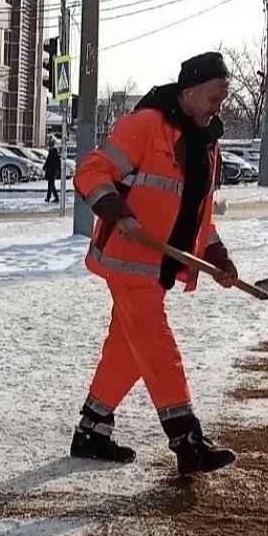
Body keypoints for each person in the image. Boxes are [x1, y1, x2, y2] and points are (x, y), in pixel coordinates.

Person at [68, 51, 241, 476]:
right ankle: (187, 440)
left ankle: (93, 429)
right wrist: (119, 214)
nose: (218, 106)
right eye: (213, 97)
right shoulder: (144, 126)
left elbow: (196, 215)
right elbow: (91, 172)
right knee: (157, 345)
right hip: (128, 261)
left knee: (130, 348)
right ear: (187, 92)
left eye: (223, 98)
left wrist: (217, 255)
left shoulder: (205, 143)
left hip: (159, 267)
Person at [43, 138, 62, 203]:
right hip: (54, 172)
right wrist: (58, 172)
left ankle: (50, 197)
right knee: (51, 185)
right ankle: (54, 197)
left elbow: (47, 163)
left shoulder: (50, 156)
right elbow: (59, 165)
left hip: (50, 172)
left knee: (50, 185)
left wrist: (44, 168)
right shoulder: (57, 157)